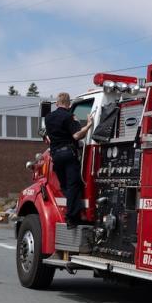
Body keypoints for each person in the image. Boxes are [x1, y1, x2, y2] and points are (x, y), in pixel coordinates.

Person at [44, 92, 92, 228]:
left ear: (57, 103)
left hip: (55, 157)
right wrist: (88, 125)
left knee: (65, 186)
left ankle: (71, 210)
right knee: (73, 186)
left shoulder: (48, 118)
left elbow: (49, 136)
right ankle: (71, 217)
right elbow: (77, 136)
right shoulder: (69, 116)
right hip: (68, 154)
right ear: (69, 104)